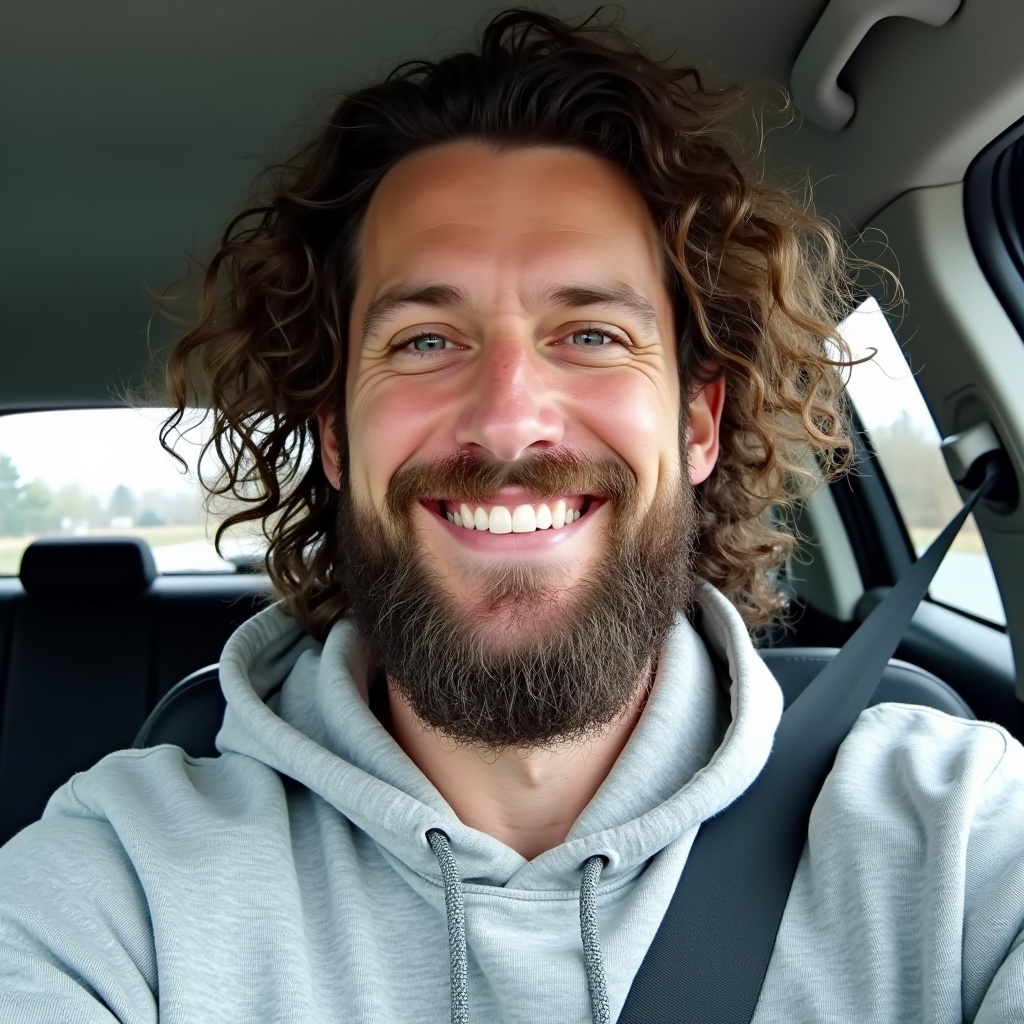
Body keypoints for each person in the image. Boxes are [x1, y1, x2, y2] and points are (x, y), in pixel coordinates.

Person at [2, 9, 1022, 1023]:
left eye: (588, 332)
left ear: (699, 421)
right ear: (337, 436)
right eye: (423, 342)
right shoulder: (121, 885)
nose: (506, 421)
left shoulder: (957, 836)